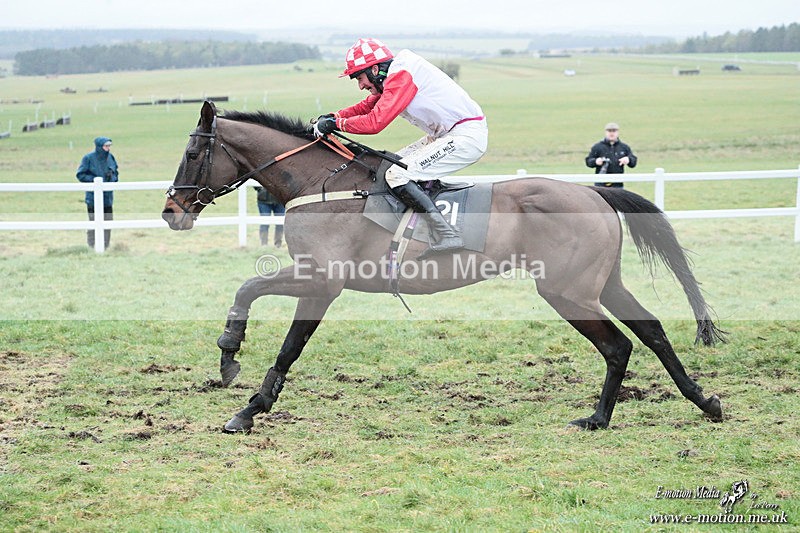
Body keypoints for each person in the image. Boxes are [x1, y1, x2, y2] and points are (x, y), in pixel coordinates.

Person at [314, 38, 488, 259]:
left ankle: (447, 234)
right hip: (446, 134)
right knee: (387, 165)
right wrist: (334, 116)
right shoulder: (395, 75)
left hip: (465, 136)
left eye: (360, 77)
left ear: (375, 69)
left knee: (397, 174)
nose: (360, 85)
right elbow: (369, 104)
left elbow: (375, 122)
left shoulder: (402, 75)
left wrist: (337, 124)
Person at [76, 136, 118, 248]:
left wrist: (112, 178)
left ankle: (105, 245)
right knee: (93, 221)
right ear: (99, 147)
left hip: (108, 198)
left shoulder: (111, 158)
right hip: (93, 198)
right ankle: (92, 245)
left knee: (108, 221)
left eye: (109, 146)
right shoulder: (88, 158)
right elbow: (80, 174)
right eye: (106, 146)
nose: (108, 148)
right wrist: (95, 180)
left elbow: (116, 173)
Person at [585, 122, 637, 188]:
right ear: (605, 132)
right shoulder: (598, 147)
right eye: (609, 131)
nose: (611, 133)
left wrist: (628, 160)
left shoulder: (624, 147)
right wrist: (596, 161)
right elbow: (588, 161)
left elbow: (633, 162)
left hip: (618, 184)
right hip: (600, 184)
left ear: (618, 132)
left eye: (614, 131)